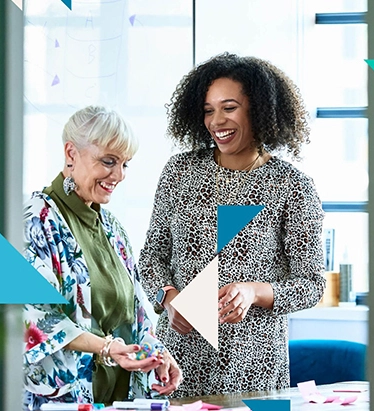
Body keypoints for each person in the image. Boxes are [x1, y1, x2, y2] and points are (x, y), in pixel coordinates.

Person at [138, 53, 326, 397]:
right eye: (209, 110)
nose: (216, 121)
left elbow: (311, 285)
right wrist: (169, 299)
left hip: (252, 366)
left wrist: (253, 292)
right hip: (178, 362)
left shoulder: (292, 186)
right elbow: (151, 259)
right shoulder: (179, 172)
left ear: (259, 110)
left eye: (229, 108)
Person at [22, 106, 182, 410]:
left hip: (120, 401)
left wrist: (157, 353)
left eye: (125, 164)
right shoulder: (33, 219)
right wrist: (107, 348)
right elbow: (33, 318)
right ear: (71, 153)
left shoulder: (113, 229)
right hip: (60, 402)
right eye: (109, 161)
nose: (119, 175)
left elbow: (135, 317)